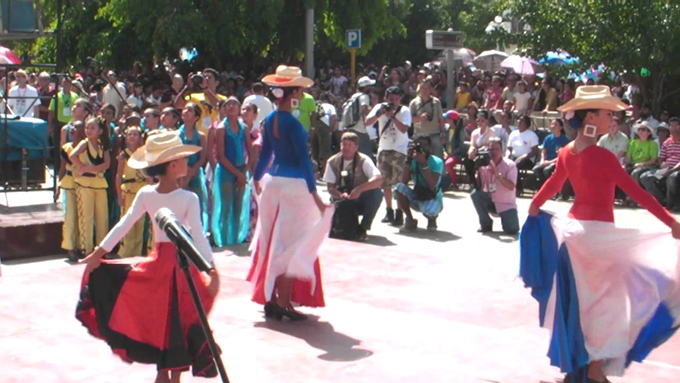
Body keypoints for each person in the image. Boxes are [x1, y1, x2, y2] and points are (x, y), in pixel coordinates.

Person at [523, 85, 680, 383]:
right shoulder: (602, 157)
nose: (612, 119)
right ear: (591, 115)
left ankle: (581, 369)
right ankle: (594, 371)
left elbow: (553, 185)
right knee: (610, 308)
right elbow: (638, 193)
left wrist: (534, 205)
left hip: (573, 239)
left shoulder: (567, 152)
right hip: (598, 241)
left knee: (580, 306)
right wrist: (670, 222)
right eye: (608, 113)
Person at [77, 131, 221, 382]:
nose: (187, 164)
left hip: (160, 268)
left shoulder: (149, 194)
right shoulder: (188, 198)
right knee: (180, 324)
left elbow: (124, 224)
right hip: (182, 268)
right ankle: (169, 377)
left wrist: (98, 253)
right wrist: (210, 269)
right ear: (173, 165)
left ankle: (165, 376)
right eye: (183, 159)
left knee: (165, 324)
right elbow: (197, 237)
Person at [247, 65, 333, 321]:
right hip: (295, 186)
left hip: (274, 181)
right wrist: (315, 193)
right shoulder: (293, 124)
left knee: (273, 241)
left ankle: (271, 297)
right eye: (299, 89)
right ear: (292, 91)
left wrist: (256, 178)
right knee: (293, 245)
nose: (302, 93)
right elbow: (305, 162)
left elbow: (265, 156)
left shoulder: (270, 120)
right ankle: (283, 302)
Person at [323, 132, 384, 241]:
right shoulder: (332, 162)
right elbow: (330, 187)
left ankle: (363, 228)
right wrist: (340, 194)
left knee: (377, 194)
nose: (346, 148)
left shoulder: (364, 160)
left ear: (356, 147)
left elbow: (378, 179)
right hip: (341, 198)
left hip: (360, 198)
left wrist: (359, 189)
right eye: (344, 144)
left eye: (349, 145)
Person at [364, 86, 412, 226]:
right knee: (384, 182)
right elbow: (367, 122)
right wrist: (380, 114)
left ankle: (399, 212)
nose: (394, 102)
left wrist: (393, 116)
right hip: (384, 148)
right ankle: (389, 210)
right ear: (386, 98)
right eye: (391, 99)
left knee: (397, 182)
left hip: (399, 149)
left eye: (397, 99)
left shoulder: (404, 111)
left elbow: (404, 129)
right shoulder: (380, 107)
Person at [212, 97, 252, 246]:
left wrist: (245, 171)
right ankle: (223, 243)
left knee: (238, 208)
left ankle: (235, 241)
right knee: (226, 207)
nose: (231, 106)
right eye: (228, 104)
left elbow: (251, 152)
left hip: (242, 170)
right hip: (226, 171)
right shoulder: (221, 129)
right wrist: (239, 174)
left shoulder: (244, 128)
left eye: (234, 103)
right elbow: (221, 156)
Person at [70, 117, 111, 254]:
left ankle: (102, 249)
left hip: (99, 184)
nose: (88, 130)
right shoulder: (84, 143)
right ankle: (86, 249)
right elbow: (72, 156)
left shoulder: (102, 145)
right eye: (87, 127)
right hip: (85, 184)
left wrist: (88, 169)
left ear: (100, 131)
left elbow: (107, 164)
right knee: (86, 217)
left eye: (92, 128)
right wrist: (82, 167)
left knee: (102, 218)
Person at [394, 136, 444, 232]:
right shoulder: (413, 160)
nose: (423, 147)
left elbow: (432, 184)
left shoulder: (437, 161)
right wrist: (408, 160)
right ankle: (410, 219)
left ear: (430, 147)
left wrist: (424, 164)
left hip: (432, 197)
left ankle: (432, 219)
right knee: (399, 188)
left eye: (425, 145)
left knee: (430, 210)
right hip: (417, 195)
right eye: (420, 145)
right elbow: (404, 182)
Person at [470, 137, 519, 234]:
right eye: (491, 149)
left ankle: (507, 220)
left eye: (497, 149)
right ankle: (486, 224)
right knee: (475, 194)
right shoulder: (485, 164)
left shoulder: (510, 165)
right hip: (490, 200)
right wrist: (477, 168)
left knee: (512, 230)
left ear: (502, 151)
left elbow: (511, 186)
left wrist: (499, 177)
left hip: (506, 205)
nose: (494, 152)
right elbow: (480, 186)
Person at [115, 126, 148, 257]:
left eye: (135, 134)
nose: (132, 137)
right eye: (130, 134)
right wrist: (119, 195)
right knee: (127, 221)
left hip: (141, 190)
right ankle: (125, 251)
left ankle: (137, 252)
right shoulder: (124, 155)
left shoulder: (144, 155)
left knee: (140, 223)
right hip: (128, 191)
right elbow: (118, 176)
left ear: (140, 138)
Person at [178, 103, 209, 232]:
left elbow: (203, 157)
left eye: (190, 110)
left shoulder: (201, 136)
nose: (185, 111)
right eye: (185, 109)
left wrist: (191, 171)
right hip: (179, 174)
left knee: (197, 205)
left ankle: (197, 235)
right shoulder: (176, 135)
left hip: (195, 174)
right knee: (179, 205)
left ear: (196, 117)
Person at [640, 117, 680, 209]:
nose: (673, 128)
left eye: (676, 126)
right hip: (666, 169)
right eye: (671, 126)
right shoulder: (667, 142)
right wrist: (662, 164)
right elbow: (661, 159)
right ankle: (661, 202)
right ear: (669, 128)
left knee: (673, 177)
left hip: (676, 170)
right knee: (645, 177)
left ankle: (670, 205)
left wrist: (672, 170)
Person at [59, 121, 85, 262]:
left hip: (84, 183)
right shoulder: (66, 148)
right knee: (70, 217)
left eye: (77, 127)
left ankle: (82, 246)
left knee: (83, 215)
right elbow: (62, 167)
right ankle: (70, 247)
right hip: (69, 183)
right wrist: (59, 184)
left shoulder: (87, 146)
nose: (73, 129)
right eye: (72, 127)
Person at [174, 69, 226, 135]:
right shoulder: (194, 97)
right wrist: (187, 87)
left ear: (217, 82)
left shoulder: (222, 98)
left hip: (214, 137)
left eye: (209, 77)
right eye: (204, 76)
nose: (206, 79)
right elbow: (177, 105)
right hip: (197, 137)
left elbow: (222, 109)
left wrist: (206, 89)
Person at [410, 79, 446, 159]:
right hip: (420, 135)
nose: (424, 90)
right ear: (419, 90)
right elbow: (409, 120)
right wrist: (420, 118)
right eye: (422, 88)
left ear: (430, 90)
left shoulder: (436, 102)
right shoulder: (414, 103)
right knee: (420, 158)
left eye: (426, 88)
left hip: (434, 135)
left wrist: (443, 134)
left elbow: (441, 119)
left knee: (438, 158)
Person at [507, 114, 539, 194]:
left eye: (521, 121)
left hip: (527, 159)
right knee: (505, 164)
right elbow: (509, 149)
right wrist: (507, 156)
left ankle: (519, 188)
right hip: (514, 157)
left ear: (526, 124)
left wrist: (525, 156)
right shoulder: (513, 134)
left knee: (515, 166)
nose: (519, 122)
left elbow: (535, 151)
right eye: (518, 120)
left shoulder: (531, 135)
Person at [532, 119, 569, 186]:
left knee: (547, 170)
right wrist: (542, 160)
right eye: (552, 124)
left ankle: (551, 187)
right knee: (536, 169)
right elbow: (544, 152)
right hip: (547, 160)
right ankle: (544, 186)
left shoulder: (564, 140)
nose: (553, 126)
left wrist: (549, 162)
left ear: (560, 127)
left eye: (555, 124)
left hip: (556, 162)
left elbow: (562, 156)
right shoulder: (548, 138)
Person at [345, 76, 375, 159]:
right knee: (366, 155)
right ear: (366, 87)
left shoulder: (354, 96)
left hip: (351, 127)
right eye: (369, 86)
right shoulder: (364, 96)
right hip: (361, 129)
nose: (371, 88)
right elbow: (364, 109)